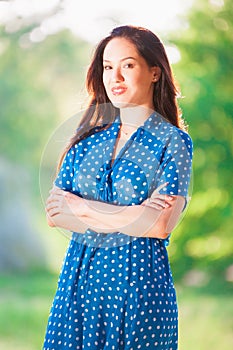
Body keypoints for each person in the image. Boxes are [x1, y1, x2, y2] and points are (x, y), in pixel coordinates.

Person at [43, 25, 193, 350]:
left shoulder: (173, 142)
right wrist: (133, 216)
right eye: (108, 67)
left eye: (127, 65)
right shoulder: (87, 140)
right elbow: (56, 214)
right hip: (79, 290)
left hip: (139, 295)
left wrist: (82, 207)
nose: (116, 78)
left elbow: (159, 223)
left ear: (154, 72)